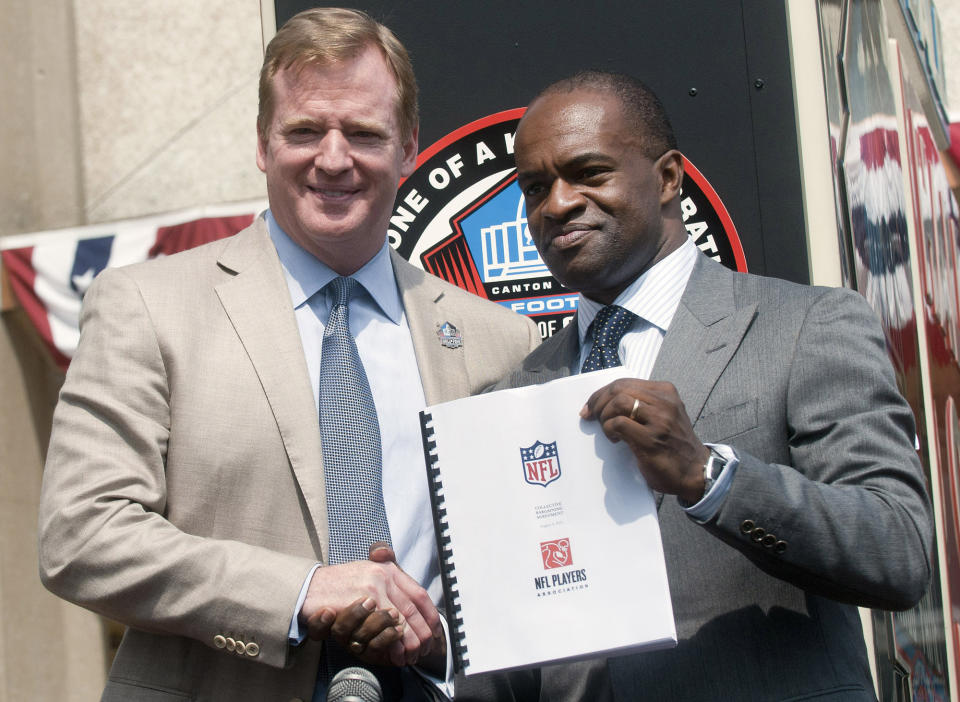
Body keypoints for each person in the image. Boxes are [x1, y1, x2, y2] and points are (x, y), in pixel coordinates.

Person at [37, 8, 538, 702]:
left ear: (409, 147)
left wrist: (441, 642)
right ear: (263, 145)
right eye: (305, 130)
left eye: (364, 133)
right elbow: (81, 535)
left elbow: (524, 576)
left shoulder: (499, 342)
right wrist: (302, 591)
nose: (333, 158)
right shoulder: (147, 308)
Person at [495, 71, 934, 701]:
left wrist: (709, 477)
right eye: (536, 188)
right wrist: (434, 639)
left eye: (588, 173)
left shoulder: (806, 325)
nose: (557, 203)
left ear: (669, 178)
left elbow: (897, 550)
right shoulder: (514, 395)